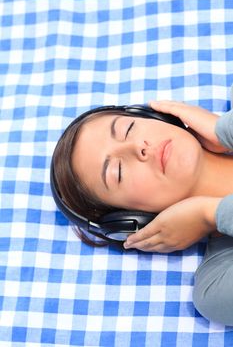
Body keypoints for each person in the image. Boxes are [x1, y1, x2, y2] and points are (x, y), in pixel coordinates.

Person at [52, 100, 233, 326]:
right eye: (118, 171)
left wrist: (224, 129)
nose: (140, 147)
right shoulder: (216, 287)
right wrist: (210, 213)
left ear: (158, 116)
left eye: (128, 129)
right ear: (130, 220)